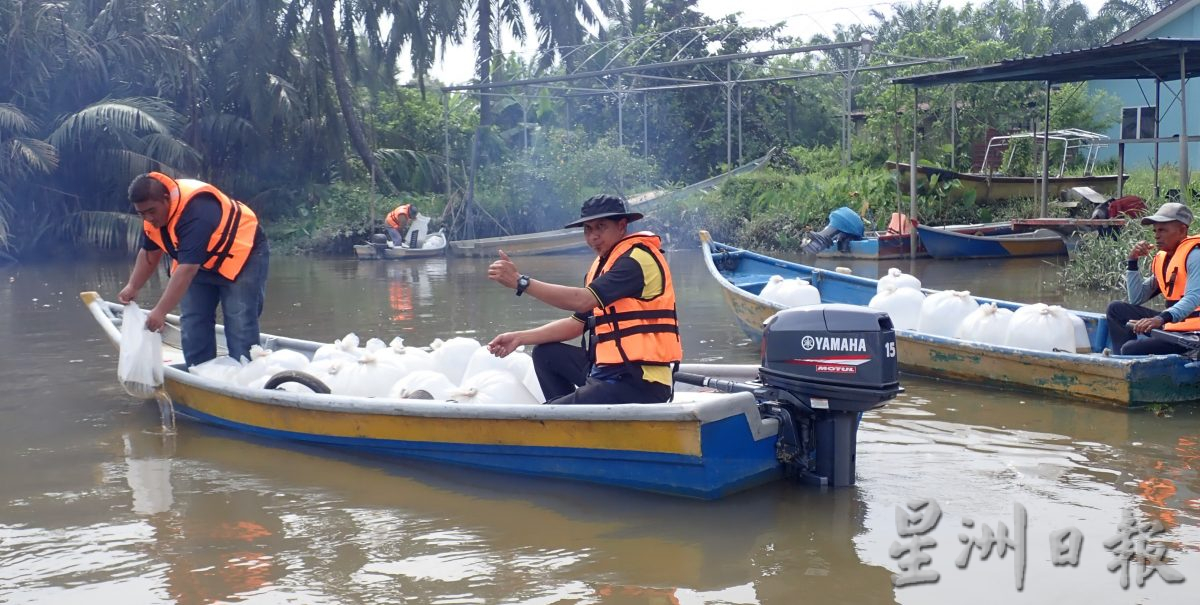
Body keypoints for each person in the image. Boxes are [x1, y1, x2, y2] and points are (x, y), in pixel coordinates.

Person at [486, 194, 682, 404]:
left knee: (553, 410)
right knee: (546, 353)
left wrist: (521, 282)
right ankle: (569, 421)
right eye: (588, 229)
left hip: (640, 381)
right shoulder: (602, 267)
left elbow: (582, 300)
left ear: (622, 226)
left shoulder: (635, 262)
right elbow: (576, 324)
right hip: (607, 372)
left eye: (601, 227)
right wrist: (519, 337)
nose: (593, 237)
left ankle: (560, 416)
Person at [118, 172, 269, 367]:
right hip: (202, 262)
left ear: (166, 199)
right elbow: (150, 252)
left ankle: (247, 377)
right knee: (193, 322)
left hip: (244, 255)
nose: (148, 218)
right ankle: (200, 373)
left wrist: (160, 311)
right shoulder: (155, 219)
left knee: (239, 320)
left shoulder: (196, 211)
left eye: (152, 211)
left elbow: (187, 269)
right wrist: (133, 286)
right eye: (142, 213)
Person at [1105, 201, 1200, 355]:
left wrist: (1159, 319)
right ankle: (1119, 361)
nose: (1156, 235)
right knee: (1116, 309)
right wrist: (1133, 261)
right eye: (1155, 230)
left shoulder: (1195, 256)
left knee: (1130, 349)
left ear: (1182, 230)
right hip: (1174, 325)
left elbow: (1194, 297)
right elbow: (1136, 298)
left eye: (1162, 230)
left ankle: (1126, 358)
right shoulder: (1165, 259)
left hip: (1194, 333)